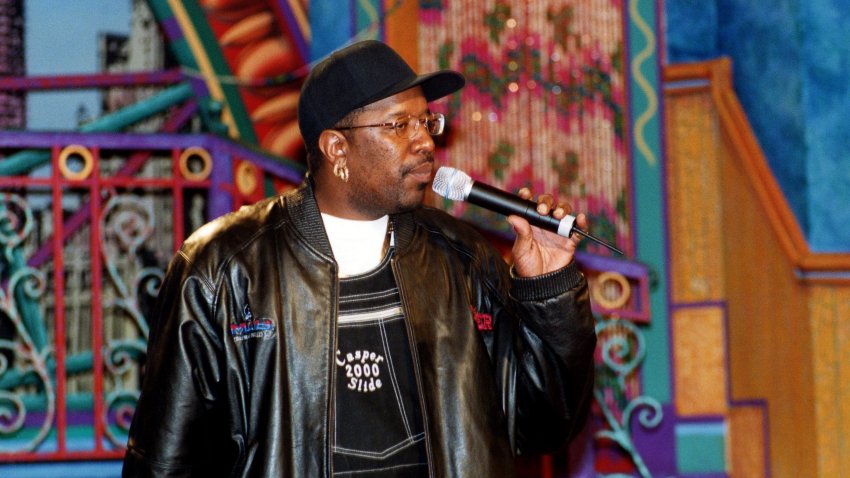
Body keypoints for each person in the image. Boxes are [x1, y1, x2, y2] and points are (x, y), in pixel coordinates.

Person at [122, 40, 596, 477]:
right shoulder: (223, 269)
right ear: (336, 148)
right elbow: (166, 460)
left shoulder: (462, 257)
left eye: (426, 121)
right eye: (398, 125)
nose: (426, 142)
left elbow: (542, 426)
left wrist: (549, 289)